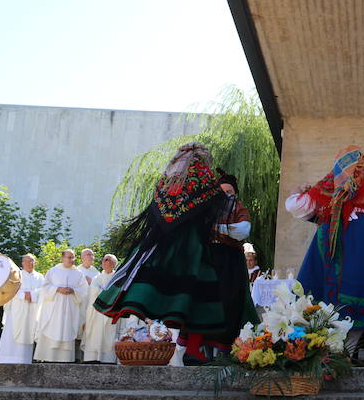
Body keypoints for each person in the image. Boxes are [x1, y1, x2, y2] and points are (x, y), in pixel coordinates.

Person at [95, 142, 249, 362]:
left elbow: (157, 212)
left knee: (152, 277)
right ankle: (196, 346)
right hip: (191, 243)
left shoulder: (165, 181)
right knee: (196, 290)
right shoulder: (203, 178)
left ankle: (191, 345)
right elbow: (212, 208)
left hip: (159, 241)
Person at [286, 146, 364, 350]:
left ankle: (333, 349)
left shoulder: (325, 187)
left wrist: (294, 193)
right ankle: (346, 350)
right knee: (361, 286)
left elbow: (296, 207)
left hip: (329, 239)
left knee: (328, 288)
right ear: (360, 164)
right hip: (363, 239)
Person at [200, 169, 259, 358]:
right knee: (208, 299)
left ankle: (225, 349)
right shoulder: (207, 209)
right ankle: (204, 348)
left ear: (234, 194)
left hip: (230, 260)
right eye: (222, 192)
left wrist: (219, 228)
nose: (225, 196)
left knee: (230, 300)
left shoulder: (239, 208)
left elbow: (242, 230)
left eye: (229, 192)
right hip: (210, 258)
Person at [35, 249, 89, 362]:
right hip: (54, 309)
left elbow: (84, 290)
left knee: (67, 329)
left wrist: (73, 291)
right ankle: (49, 358)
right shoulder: (53, 271)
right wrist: (57, 289)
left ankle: (65, 359)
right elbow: (44, 287)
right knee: (52, 328)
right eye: (69, 257)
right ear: (62, 258)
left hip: (70, 309)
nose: (72, 260)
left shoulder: (78, 274)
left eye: (73, 257)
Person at [0, 253, 44, 364]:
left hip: (32, 310)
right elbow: (10, 290)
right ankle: (7, 359)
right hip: (16, 310)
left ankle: (24, 360)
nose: (29, 263)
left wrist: (32, 295)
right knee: (11, 333)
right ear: (22, 263)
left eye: (31, 261)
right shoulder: (16, 275)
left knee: (28, 332)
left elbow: (44, 291)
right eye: (26, 261)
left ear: (35, 263)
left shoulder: (40, 277)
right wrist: (23, 295)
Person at [82, 254, 119, 363]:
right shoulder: (97, 278)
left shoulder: (117, 278)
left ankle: (108, 358)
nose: (104, 262)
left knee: (109, 334)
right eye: (103, 260)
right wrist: (106, 292)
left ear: (113, 264)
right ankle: (92, 357)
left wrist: (105, 292)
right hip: (97, 312)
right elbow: (93, 292)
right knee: (95, 333)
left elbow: (117, 292)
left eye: (107, 260)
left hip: (111, 311)